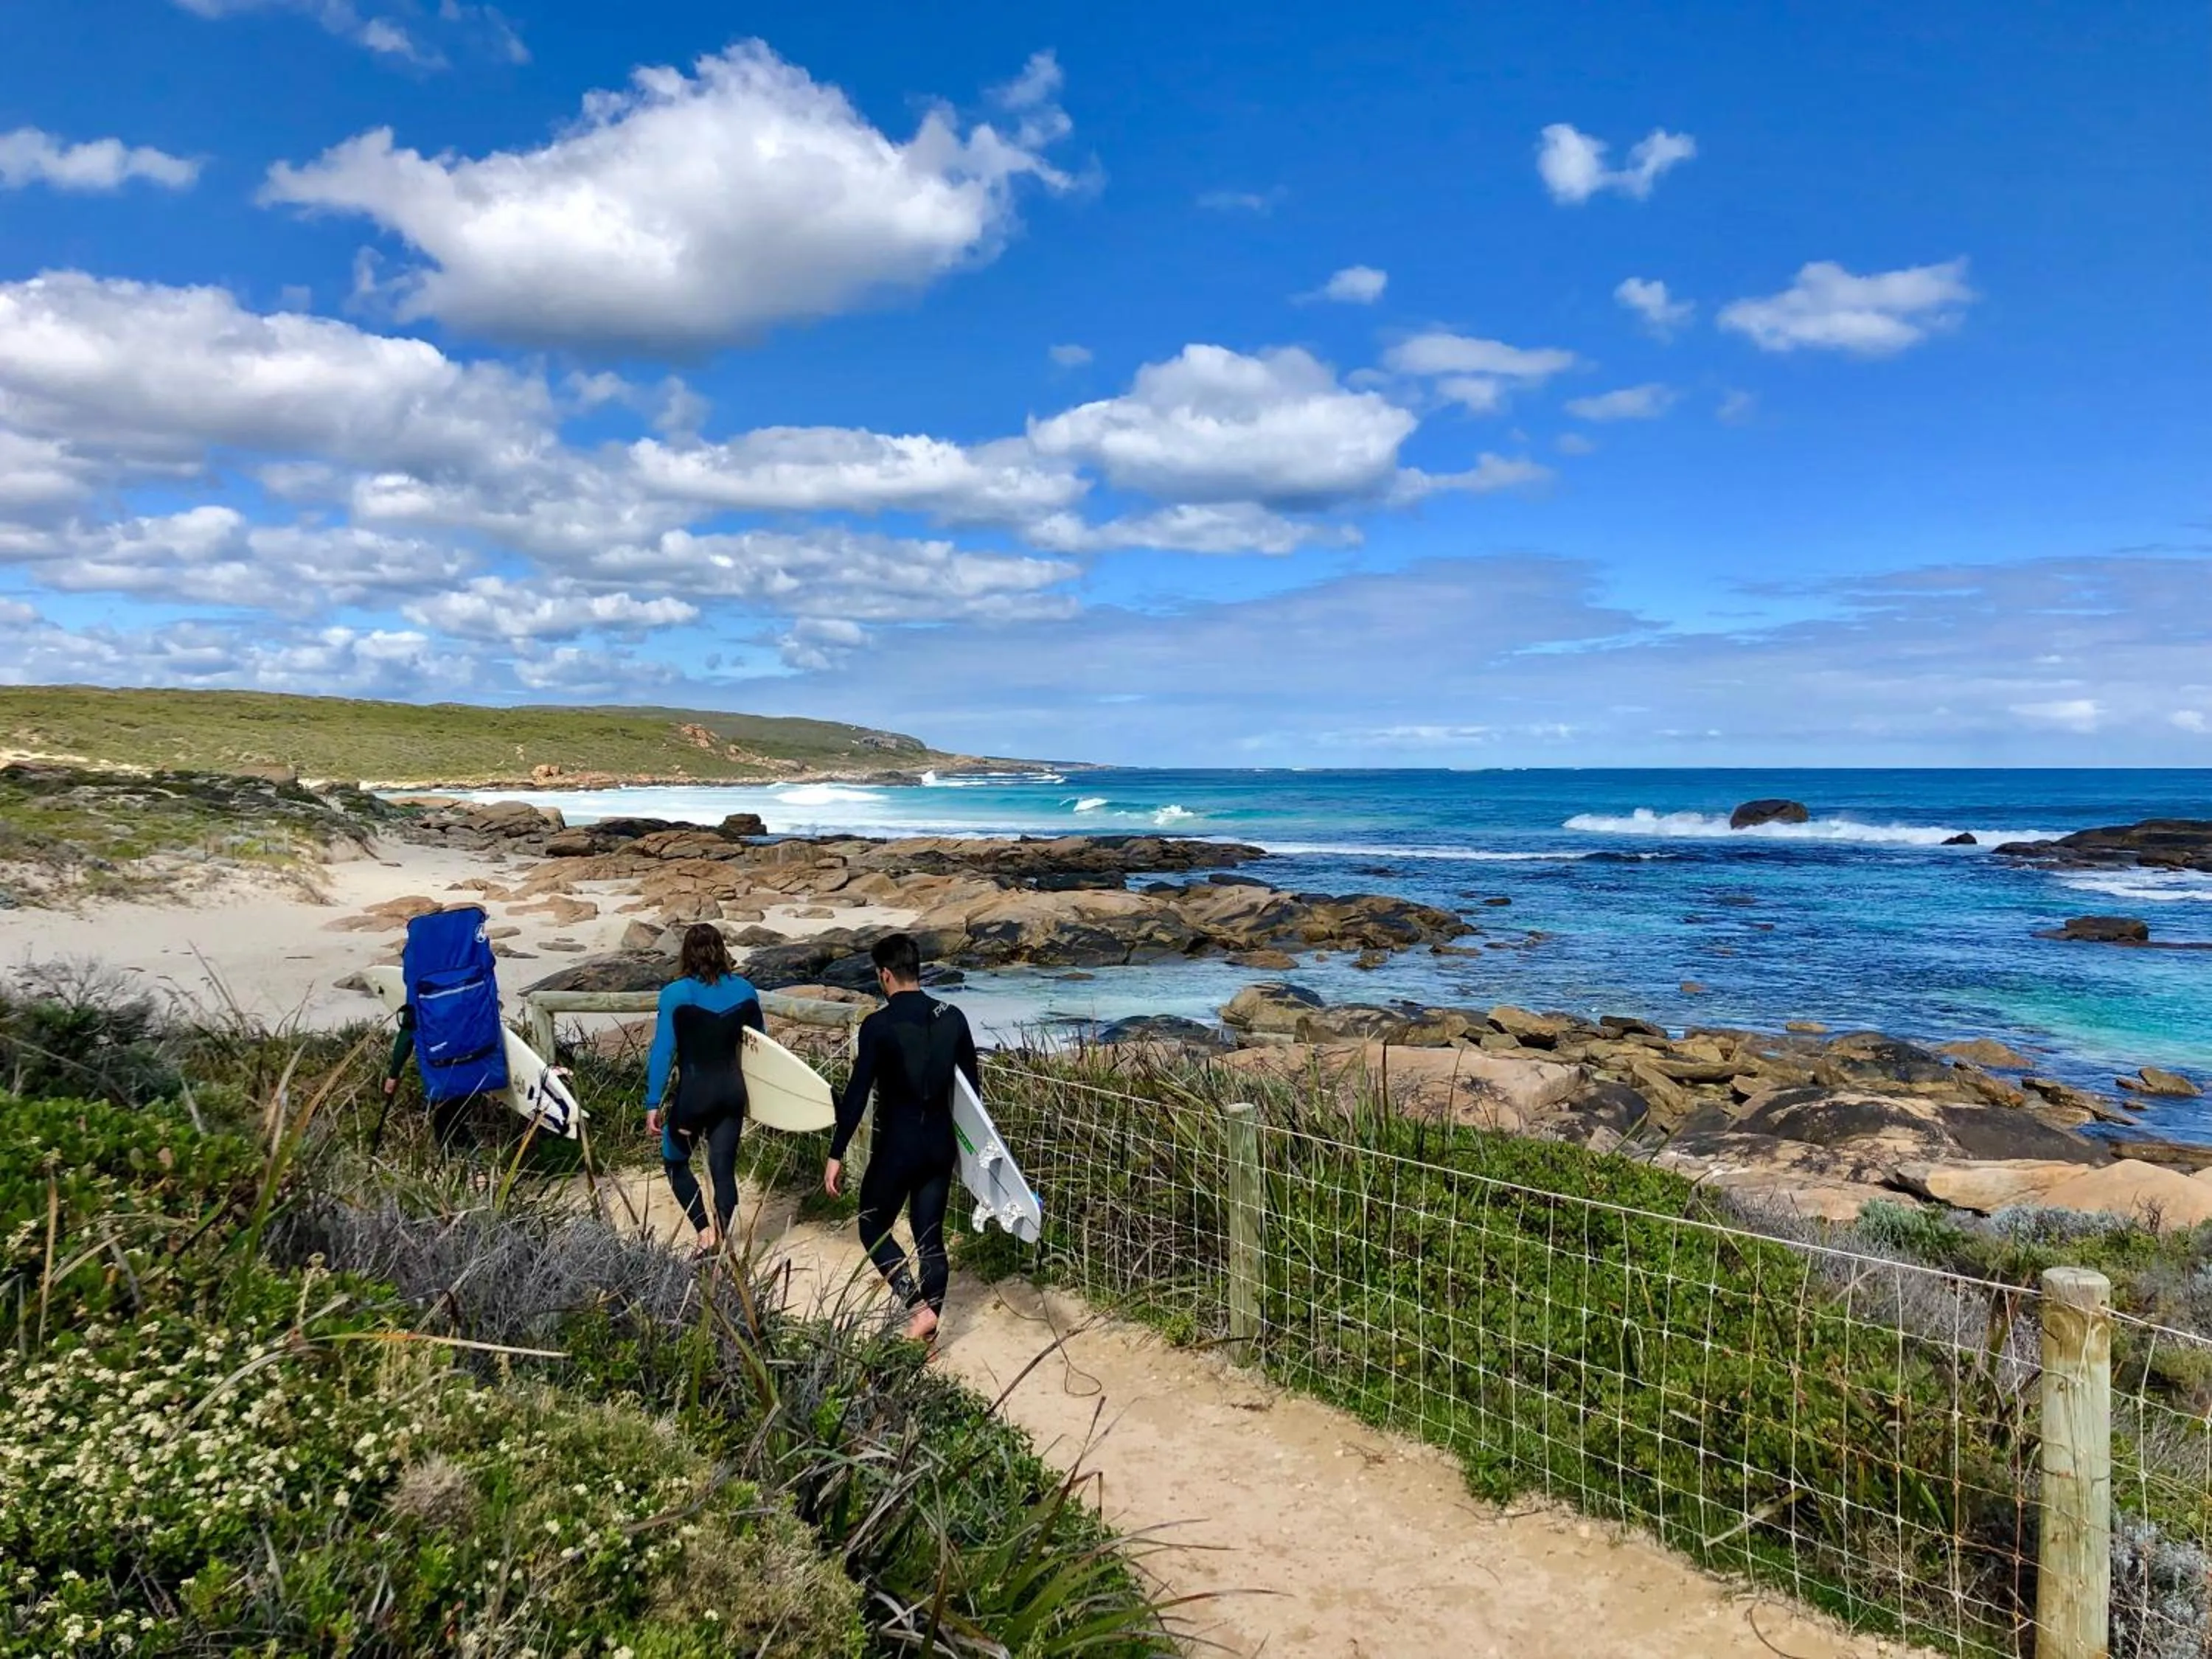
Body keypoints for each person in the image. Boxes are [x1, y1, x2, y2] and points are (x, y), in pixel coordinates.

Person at [824, 932, 978, 1346]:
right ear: (918, 970)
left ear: (885, 975)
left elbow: (857, 1094)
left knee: (872, 1226)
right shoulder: (954, 1017)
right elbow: (971, 1097)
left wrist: (836, 1153)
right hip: (939, 1143)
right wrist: (973, 1153)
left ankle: (917, 1307)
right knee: (930, 1236)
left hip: (898, 1145)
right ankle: (926, 1336)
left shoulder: (878, 1025)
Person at [645, 924, 765, 1260]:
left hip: (694, 1096)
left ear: (686, 954)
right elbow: (762, 1048)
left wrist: (653, 1102)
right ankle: (723, 1237)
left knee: (675, 1161)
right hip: (732, 1093)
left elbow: (662, 1051)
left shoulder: (675, 994)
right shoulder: (746, 991)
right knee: (723, 1169)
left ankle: (704, 1234)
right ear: (722, 950)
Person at [380, 1004, 479, 1157]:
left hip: (439, 1069)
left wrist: (394, 1074)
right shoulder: (463, 980)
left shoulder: (420, 987)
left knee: (446, 1124)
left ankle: (472, 1168)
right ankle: (473, 1168)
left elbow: (407, 1035)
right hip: (475, 1061)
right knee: (460, 1119)